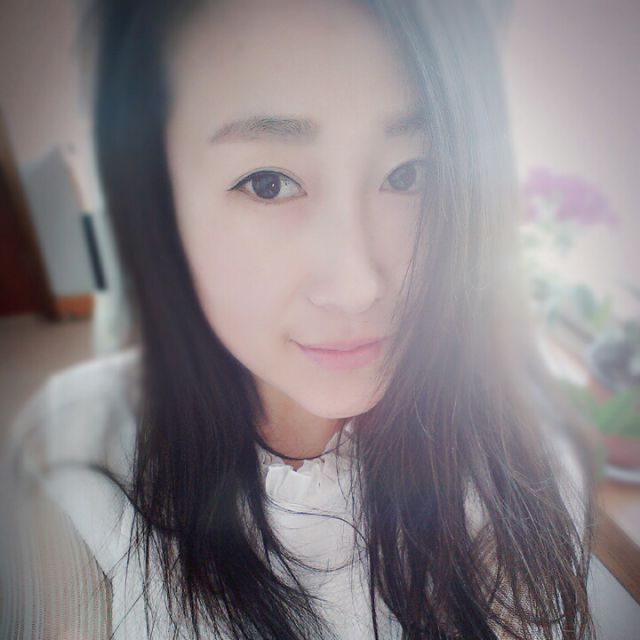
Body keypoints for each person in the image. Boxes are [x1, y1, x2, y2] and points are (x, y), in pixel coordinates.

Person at [1, 0, 595, 638]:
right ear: (160, 201)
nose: (357, 287)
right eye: (268, 182)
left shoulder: (521, 454)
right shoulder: (75, 461)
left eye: (410, 172)